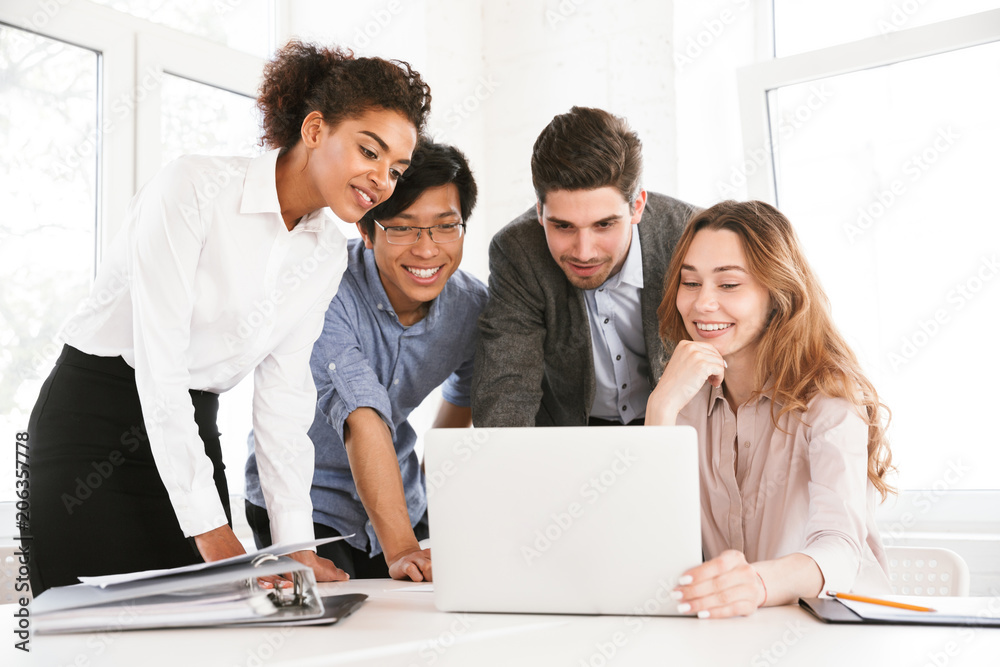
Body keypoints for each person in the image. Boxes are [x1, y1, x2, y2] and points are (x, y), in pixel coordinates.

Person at [23, 40, 431, 594]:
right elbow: (160, 365)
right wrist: (213, 529)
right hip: (93, 423)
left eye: (397, 168)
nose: (383, 178)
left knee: (198, 636)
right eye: (369, 151)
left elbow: (284, 407)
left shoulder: (326, 253)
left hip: (193, 425)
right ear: (315, 130)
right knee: (90, 632)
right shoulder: (192, 188)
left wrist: (296, 547)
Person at [244, 141, 486, 582]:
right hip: (308, 505)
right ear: (368, 232)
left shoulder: (472, 308)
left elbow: (461, 403)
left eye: (445, 226)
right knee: (332, 633)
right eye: (403, 228)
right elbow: (362, 415)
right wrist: (403, 550)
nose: (427, 250)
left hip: (405, 509)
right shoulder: (324, 285)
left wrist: (433, 499)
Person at [645, 200, 894, 619]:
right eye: (690, 283)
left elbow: (839, 547)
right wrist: (660, 408)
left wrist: (756, 583)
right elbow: (650, 544)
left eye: (728, 285)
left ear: (777, 295)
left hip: (839, 631)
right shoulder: (680, 399)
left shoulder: (831, 400)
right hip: (734, 634)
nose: (703, 304)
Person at [471, 107, 697, 427]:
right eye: (563, 226)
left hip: (681, 423)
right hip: (573, 431)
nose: (584, 252)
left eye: (604, 225)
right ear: (540, 211)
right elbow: (508, 387)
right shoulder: (517, 251)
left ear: (637, 206)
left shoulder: (690, 234)